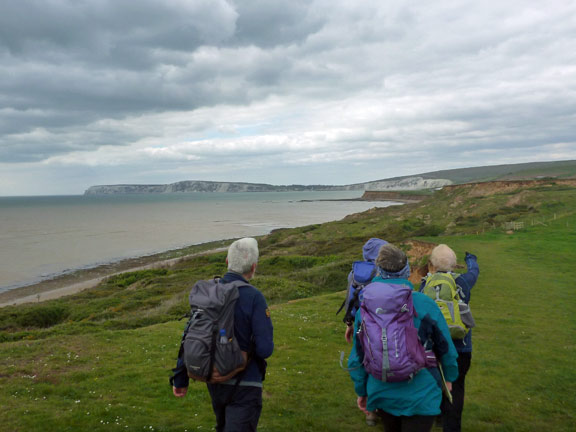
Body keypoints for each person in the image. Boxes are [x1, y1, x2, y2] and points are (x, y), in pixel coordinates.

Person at [348, 244, 459, 432]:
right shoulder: (424, 304)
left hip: (381, 391)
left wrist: (362, 390)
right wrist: (449, 377)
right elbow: (446, 348)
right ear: (407, 271)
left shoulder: (365, 307)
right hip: (422, 393)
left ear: (378, 270)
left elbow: (358, 356)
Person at [172, 238, 274, 432]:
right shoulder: (254, 297)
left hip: (213, 377)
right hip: (245, 383)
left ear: (227, 262)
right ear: (253, 267)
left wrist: (180, 379)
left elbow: (190, 333)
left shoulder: (208, 292)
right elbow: (265, 349)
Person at [422, 245, 479, 432]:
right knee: (457, 386)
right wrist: (471, 259)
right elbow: (475, 272)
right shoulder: (463, 281)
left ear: (432, 264)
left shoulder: (425, 284)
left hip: (433, 346)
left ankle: (437, 416)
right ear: (454, 264)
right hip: (460, 346)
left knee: (436, 382)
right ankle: (451, 427)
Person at [342, 238, 388, 426]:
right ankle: (383, 405)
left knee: (361, 362)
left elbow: (350, 300)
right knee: (383, 362)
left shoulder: (354, 273)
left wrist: (349, 324)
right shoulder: (383, 273)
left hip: (361, 324)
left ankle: (369, 409)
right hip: (383, 324)